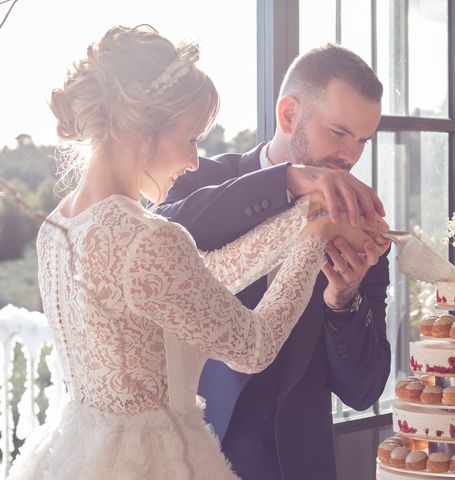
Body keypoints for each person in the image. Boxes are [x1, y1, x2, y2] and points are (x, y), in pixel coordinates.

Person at [8, 26, 386, 480]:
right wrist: (312, 233)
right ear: (145, 128)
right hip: (164, 460)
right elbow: (252, 346)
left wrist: (312, 237)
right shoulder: (155, 228)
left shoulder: (56, 227)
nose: (192, 159)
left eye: (363, 141)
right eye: (190, 138)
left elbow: (204, 275)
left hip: (81, 451)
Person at [158, 43, 391, 480]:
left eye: (362, 140)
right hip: (196, 459)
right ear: (288, 115)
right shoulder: (201, 180)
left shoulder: (360, 225)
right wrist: (285, 181)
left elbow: (364, 391)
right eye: (339, 133)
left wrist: (344, 302)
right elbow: (160, 231)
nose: (351, 157)